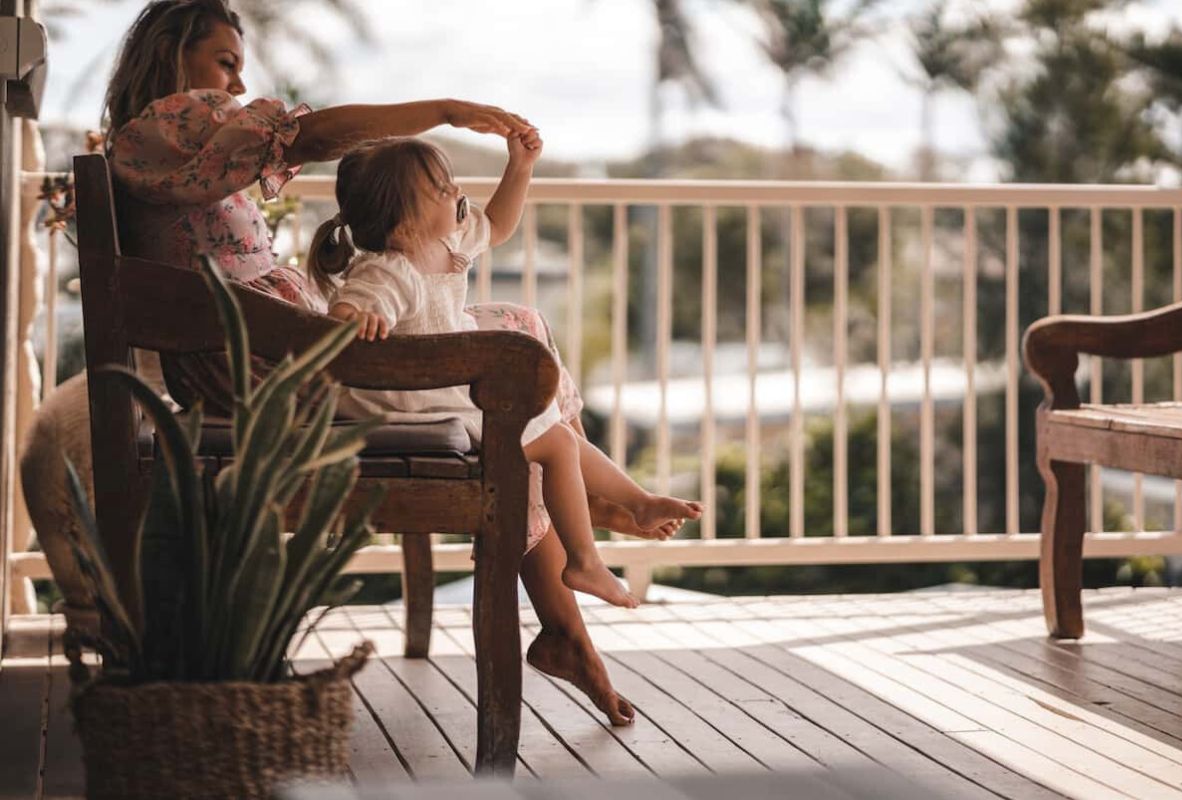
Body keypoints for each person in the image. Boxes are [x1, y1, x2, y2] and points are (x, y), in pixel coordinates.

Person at [24, 0, 689, 725]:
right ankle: (575, 537)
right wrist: (438, 111)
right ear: (170, 51)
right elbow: (309, 136)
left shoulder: (175, 144)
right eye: (225, 61)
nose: (239, 86)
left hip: (278, 350)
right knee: (508, 370)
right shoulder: (162, 132)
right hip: (269, 368)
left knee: (516, 333)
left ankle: (580, 512)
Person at [303, 136, 703, 608]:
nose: (456, 193)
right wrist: (358, 320)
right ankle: (584, 559)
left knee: (561, 439)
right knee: (557, 442)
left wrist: (521, 166)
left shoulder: (443, 242)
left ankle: (634, 502)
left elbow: (497, 224)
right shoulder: (388, 271)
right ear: (403, 220)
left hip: (443, 391)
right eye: (440, 189)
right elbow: (345, 312)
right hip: (411, 403)